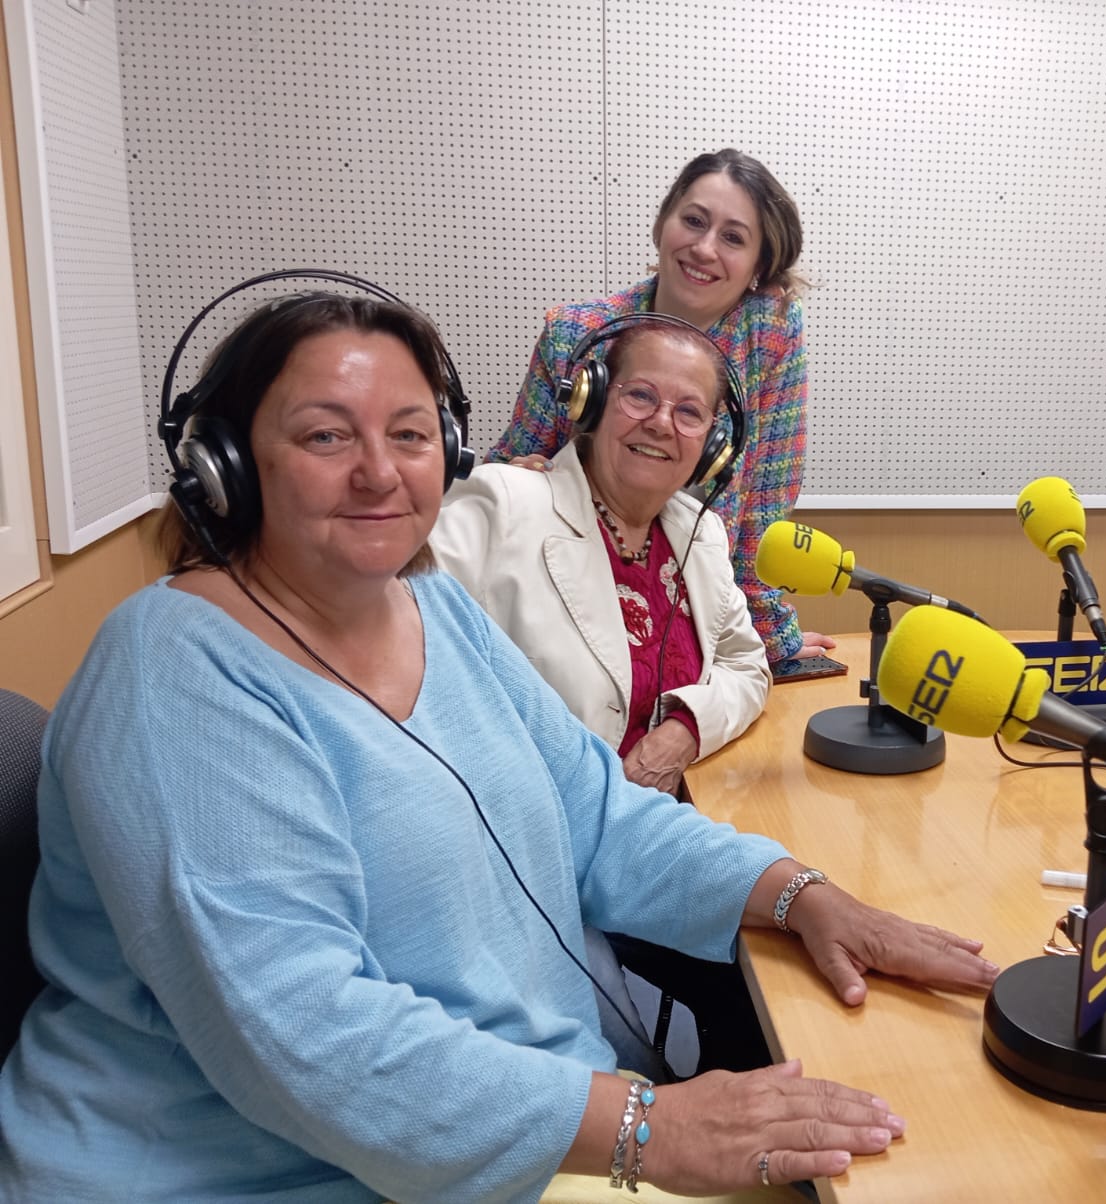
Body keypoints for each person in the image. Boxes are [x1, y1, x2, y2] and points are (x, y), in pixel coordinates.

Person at [0, 288, 998, 1202]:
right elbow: (304, 1032)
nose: (379, 471)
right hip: (253, 1170)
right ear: (222, 467)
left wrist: (798, 891)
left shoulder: (431, 605)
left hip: (520, 1120)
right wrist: (646, 1128)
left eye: (409, 432)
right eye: (324, 434)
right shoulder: (173, 676)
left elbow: (596, 818)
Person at [491, 149, 836, 666]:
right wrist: (525, 478)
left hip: (694, 609)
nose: (703, 248)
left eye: (733, 237)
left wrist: (767, 632)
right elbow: (512, 465)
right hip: (570, 609)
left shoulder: (769, 334)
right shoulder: (575, 335)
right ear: (663, 222)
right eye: (694, 221)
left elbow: (765, 496)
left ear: (759, 267)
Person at [434, 317, 766, 799]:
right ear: (592, 401)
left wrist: (684, 732)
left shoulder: (701, 532)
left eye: (690, 412)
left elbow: (746, 665)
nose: (660, 422)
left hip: (669, 820)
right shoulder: (502, 504)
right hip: (539, 836)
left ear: (714, 446)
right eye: (640, 396)